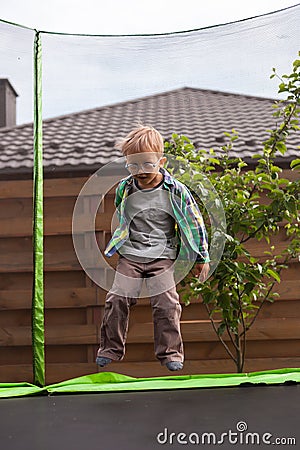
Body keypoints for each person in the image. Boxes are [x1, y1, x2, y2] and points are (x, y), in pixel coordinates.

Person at [96, 124, 210, 371]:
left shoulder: (175, 190)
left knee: (166, 302)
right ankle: (110, 349)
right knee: (116, 298)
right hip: (131, 255)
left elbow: (194, 222)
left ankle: (170, 353)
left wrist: (201, 256)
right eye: (133, 165)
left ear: (162, 161)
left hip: (163, 255)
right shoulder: (125, 188)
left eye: (147, 164)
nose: (140, 171)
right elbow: (122, 216)